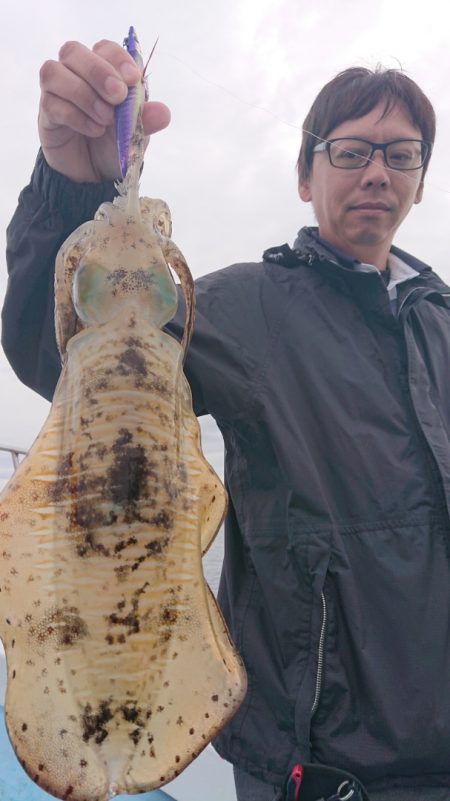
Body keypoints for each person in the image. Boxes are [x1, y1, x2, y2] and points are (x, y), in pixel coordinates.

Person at [3, 38, 450, 801]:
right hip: (320, 770)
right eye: (349, 151)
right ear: (305, 177)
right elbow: (66, 355)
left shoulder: (441, 326)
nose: (376, 171)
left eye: (399, 154)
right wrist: (72, 191)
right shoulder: (247, 306)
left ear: (420, 180)